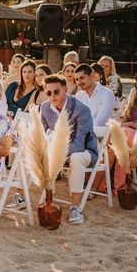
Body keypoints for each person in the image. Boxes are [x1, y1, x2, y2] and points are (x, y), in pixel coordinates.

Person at [40, 74, 98, 225]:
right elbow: (42, 135)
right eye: (48, 92)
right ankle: (24, 196)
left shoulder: (81, 109)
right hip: (59, 152)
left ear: (65, 90)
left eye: (56, 92)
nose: (52, 96)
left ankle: (75, 207)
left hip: (86, 152)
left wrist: (54, 154)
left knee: (76, 157)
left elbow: (79, 145)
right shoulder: (45, 107)